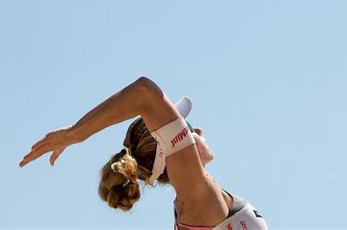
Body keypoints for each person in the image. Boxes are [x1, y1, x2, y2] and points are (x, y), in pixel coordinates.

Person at [19, 77, 268, 229]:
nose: (198, 130)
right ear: (168, 150)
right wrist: (75, 134)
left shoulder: (193, 201)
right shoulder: (196, 193)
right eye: (187, 128)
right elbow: (144, 94)